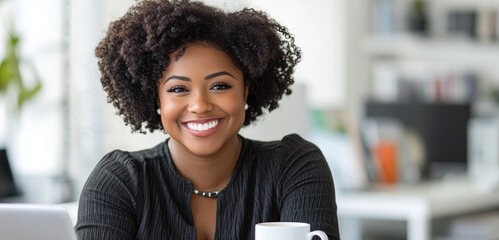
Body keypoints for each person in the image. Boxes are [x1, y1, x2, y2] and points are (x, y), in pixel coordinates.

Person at [75, 0, 340, 239]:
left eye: (220, 86)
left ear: (246, 90)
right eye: (178, 89)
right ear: (156, 99)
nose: (200, 106)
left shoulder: (293, 167)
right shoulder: (119, 181)